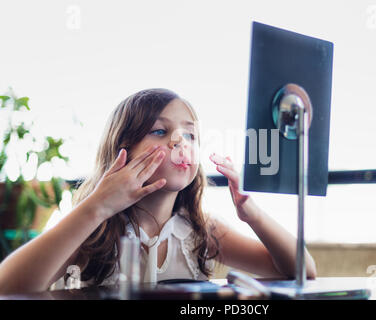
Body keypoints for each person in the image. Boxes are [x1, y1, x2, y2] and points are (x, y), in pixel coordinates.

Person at [0, 88, 317, 294]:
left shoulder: (201, 230)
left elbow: (303, 271)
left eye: (190, 135)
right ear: (122, 150)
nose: (180, 142)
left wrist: (253, 215)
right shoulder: (93, 227)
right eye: (161, 131)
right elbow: (8, 286)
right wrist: (98, 206)